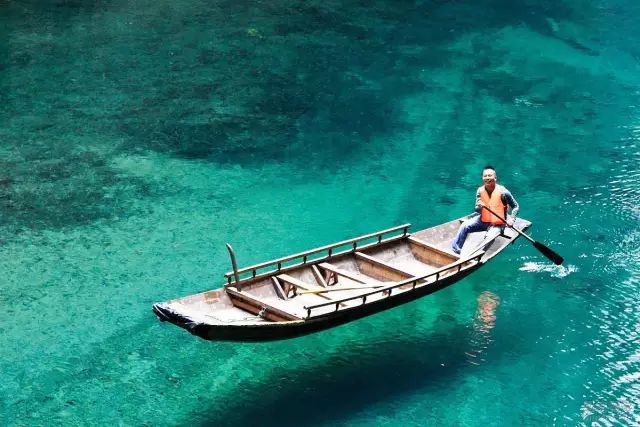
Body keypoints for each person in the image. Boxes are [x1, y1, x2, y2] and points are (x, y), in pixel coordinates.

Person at [451, 165, 519, 254]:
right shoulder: (480, 191)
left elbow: (515, 206)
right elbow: (477, 210)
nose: (487, 178)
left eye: (490, 175)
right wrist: (480, 207)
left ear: (495, 178)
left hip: (498, 223)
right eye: (485, 176)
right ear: (482, 178)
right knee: (465, 225)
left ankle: (477, 255)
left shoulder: (504, 192)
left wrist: (512, 219)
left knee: (490, 237)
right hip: (483, 220)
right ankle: (456, 250)